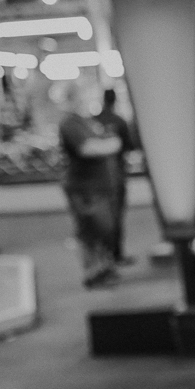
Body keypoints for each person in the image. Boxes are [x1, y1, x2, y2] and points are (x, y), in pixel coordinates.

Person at [58, 81, 123, 289]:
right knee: (90, 231)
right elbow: (88, 148)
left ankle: (103, 268)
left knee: (104, 229)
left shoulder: (86, 121)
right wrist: (110, 145)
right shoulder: (70, 123)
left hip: (98, 187)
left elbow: (109, 141)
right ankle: (93, 272)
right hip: (85, 188)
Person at [96, 88, 137, 265]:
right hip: (115, 176)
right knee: (116, 215)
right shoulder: (119, 121)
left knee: (102, 216)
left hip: (98, 178)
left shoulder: (94, 121)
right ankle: (115, 254)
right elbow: (129, 145)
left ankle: (105, 255)